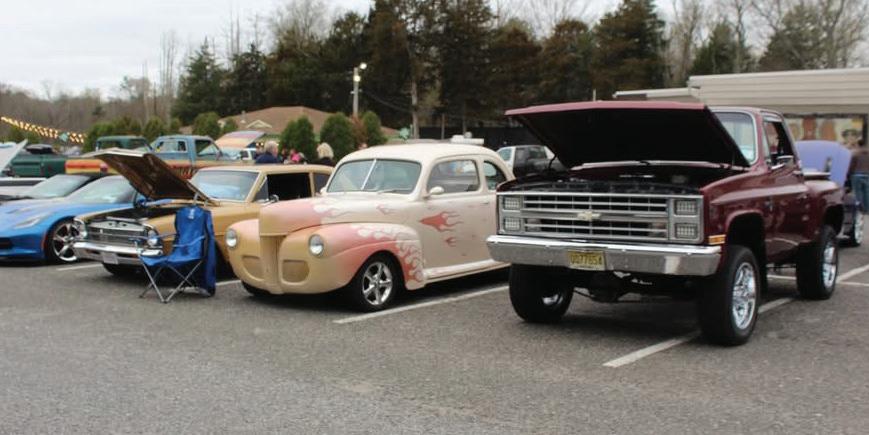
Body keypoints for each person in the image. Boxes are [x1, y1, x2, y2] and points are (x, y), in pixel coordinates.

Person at [851, 139, 869, 212]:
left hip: (857, 175)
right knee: (867, 192)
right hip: (867, 175)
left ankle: (860, 210)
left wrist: (849, 173)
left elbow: (852, 165)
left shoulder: (855, 153)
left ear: (858, 144)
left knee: (858, 193)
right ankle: (867, 209)